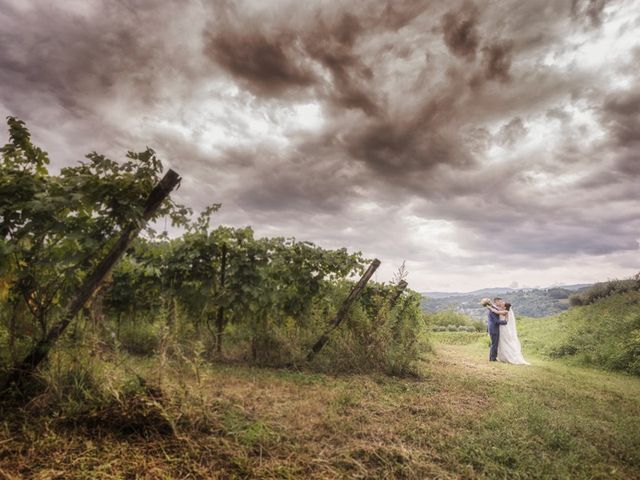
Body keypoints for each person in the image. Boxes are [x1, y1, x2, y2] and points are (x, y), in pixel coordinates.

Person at [485, 297, 508, 362]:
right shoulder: (492, 311)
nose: (501, 303)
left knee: (494, 343)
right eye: (500, 302)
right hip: (494, 328)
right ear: (496, 302)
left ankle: (492, 357)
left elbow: (497, 310)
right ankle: (492, 358)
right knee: (494, 344)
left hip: (493, 328)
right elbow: (496, 321)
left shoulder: (493, 308)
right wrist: (505, 322)